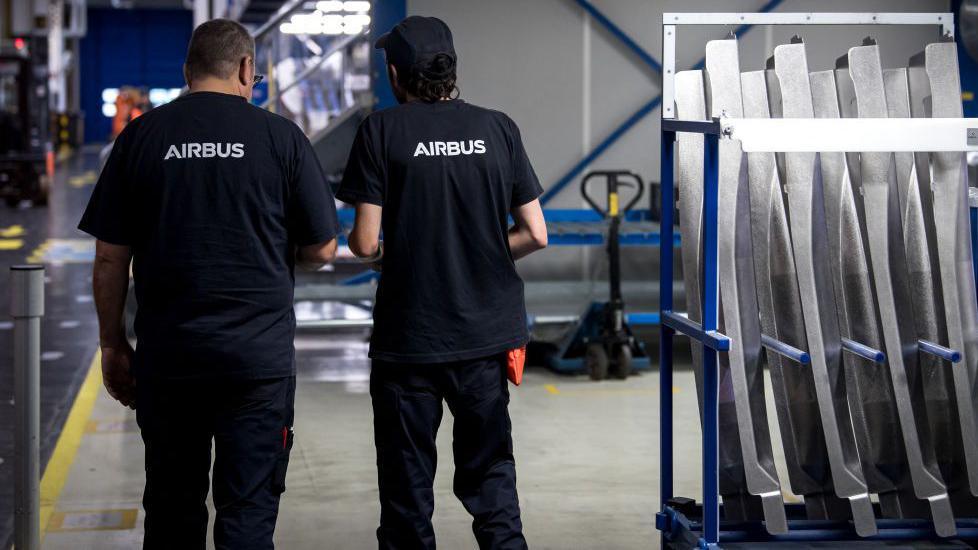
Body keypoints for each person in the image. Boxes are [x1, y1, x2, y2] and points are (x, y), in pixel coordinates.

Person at [79, 19, 339, 550]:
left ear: (187, 72)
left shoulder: (143, 136)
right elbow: (322, 249)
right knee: (247, 515)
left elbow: (109, 258)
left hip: (170, 362)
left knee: (173, 511)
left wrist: (112, 344)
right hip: (256, 367)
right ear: (246, 69)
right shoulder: (281, 138)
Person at [337, 15, 548, 550]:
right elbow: (536, 233)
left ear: (394, 73)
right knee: (492, 479)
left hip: (409, 342)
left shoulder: (382, 131)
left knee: (407, 496)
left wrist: (406, 252)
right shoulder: (498, 126)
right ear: (451, 68)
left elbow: (363, 244)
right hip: (483, 338)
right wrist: (476, 251)